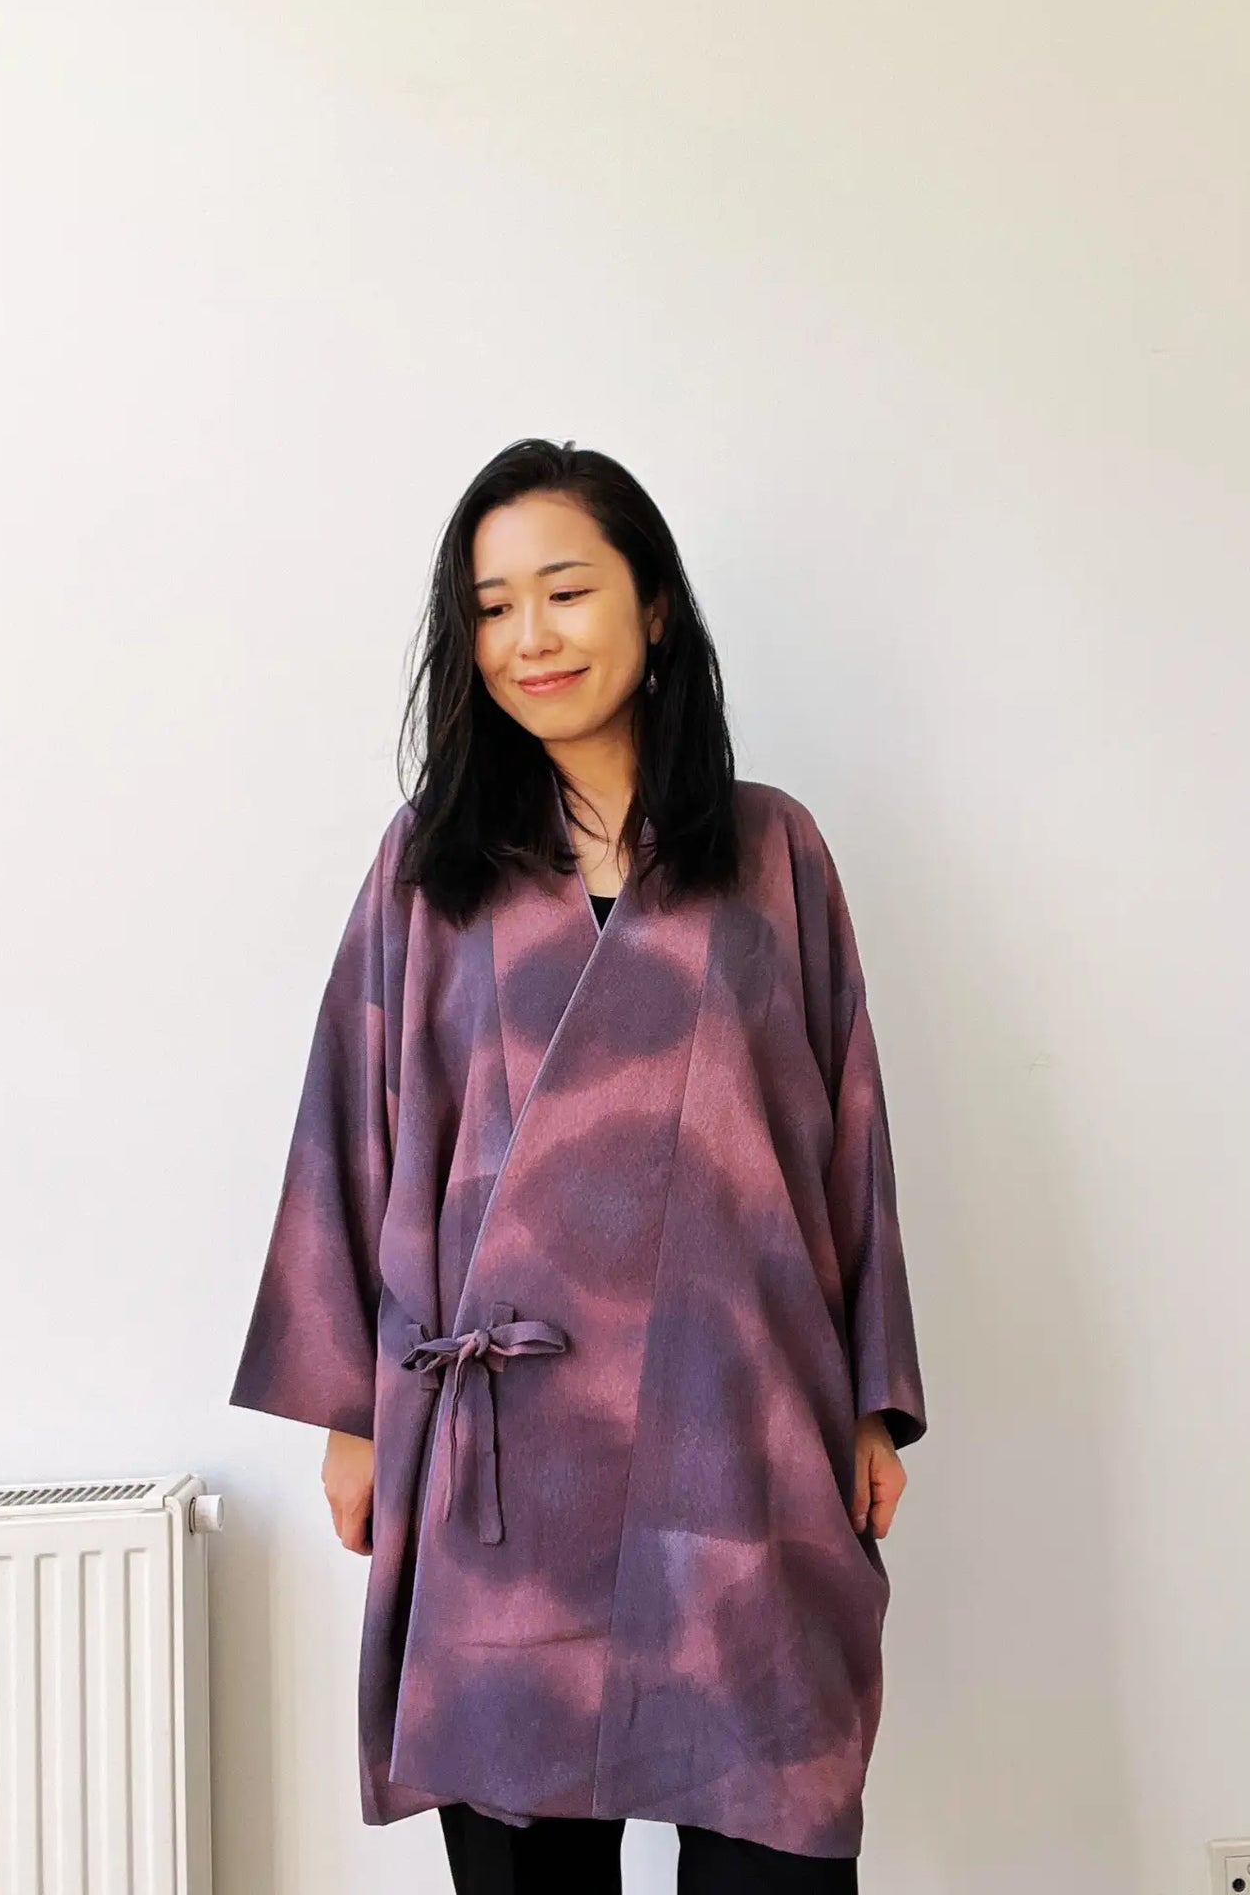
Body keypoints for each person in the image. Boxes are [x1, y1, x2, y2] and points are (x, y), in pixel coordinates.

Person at [229, 437, 928, 1892]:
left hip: (739, 1434)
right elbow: (346, 1125)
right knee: (524, 1841)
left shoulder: (772, 848)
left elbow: (847, 1132)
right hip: (509, 1461)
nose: (529, 638)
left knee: (774, 1827)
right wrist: (351, 1417)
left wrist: (870, 1398)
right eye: (491, 608)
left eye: (565, 591)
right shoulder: (432, 863)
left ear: (652, 606)